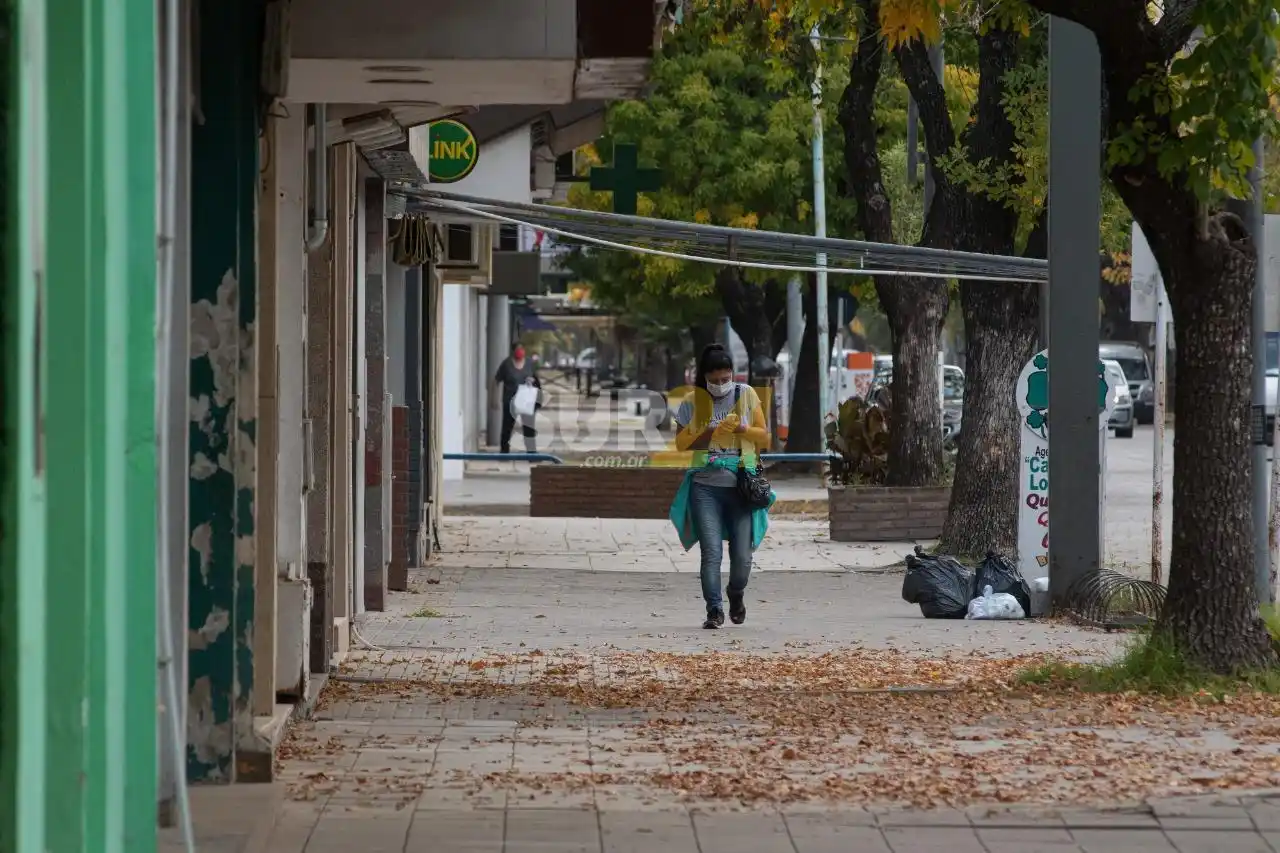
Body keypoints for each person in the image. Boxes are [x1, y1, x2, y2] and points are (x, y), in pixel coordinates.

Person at [668, 344, 773, 629]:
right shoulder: (692, 402)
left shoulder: (746, 394)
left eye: (725, 378)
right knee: (711, 552)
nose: (720, 385)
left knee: (742, 557)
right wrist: (708, 431)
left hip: (741, 487)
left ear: (732, 374)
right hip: (705, 486)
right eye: (714, 380)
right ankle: (714, 610)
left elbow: (765, 438)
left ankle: (735, 593)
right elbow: (680, 444)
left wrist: (741, 430)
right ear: (704, 377)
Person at [494, 343, 540, 454]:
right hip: (510, 402)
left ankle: (531, 453)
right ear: (513, 351)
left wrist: (533, 382)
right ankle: (504, 453)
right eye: (518, 349)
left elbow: (536, 379)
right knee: (507, 429)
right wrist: (494, 399)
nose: (520, 351)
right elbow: (496, 380)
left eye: (521, 349)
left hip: (526, 401)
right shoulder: (507, 364)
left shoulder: (529, 363)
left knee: (529, 427)